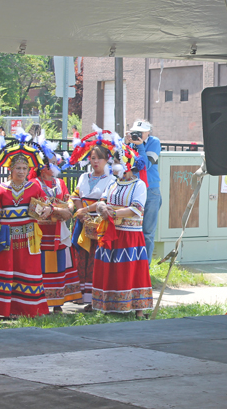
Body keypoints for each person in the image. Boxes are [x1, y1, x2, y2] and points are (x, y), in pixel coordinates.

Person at [0, 138, 51, 318]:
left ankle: (29, 310)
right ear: (10, 169)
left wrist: (46, 210)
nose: (22, 171)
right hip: (7, 236)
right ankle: (5, 310)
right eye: (18, 168)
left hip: (29, 236)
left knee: (28, 270)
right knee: (7, 270)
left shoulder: (34, 187)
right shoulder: (1, 189)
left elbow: (45, 206)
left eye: (25, 168)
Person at [93, 142, 153, 318]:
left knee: (131, 270)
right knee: (111, 269)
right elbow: (102, 200)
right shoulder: (113, 183)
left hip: (129, 236)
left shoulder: (139, 185)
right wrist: (102, 208)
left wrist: (112, 213)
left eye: (116, 162)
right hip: (111, 232)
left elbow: (136, 209)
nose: (112, 166)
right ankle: (110, 305)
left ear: (127, 165)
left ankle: (138, 308)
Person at [28, 143, 82, 313]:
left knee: (59, 264)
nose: (55, 166)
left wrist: (60, 209)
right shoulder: (34, 184)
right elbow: (31, 208)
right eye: (52, 163)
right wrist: (53, 211)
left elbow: (69, 203)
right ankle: (42, 300)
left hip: (58, 231)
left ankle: (58, 301)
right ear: (42, 167)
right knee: (42, 265)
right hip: (41, 232)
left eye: (56, 162)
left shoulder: (60, 183)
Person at [68, 128, 116, 310]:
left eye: (99, 158)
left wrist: (86, 212)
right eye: (93, 158)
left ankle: (92, 294)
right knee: (80, 254)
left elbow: (103, 200)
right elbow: (76, 195)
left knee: (95, 256)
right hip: (83, 220)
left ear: (107, 160)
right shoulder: (83, 177)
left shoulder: (110, 179)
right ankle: (78, 293)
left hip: (97, 222)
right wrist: (80, 214)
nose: (95, 161)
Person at [125, 119, 161, 265]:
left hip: (150, 190)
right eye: (135, 132)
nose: (137, 135)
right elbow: (120, 162)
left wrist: (140, 147)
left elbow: (144, 165)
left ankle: (144, 269)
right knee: (129, 229)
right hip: (132, 188)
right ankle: (130, 266)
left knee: (147, 233)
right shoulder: (129, 142)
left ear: (148, 132)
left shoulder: (154, 142)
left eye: (141, 133)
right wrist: (125, 142)